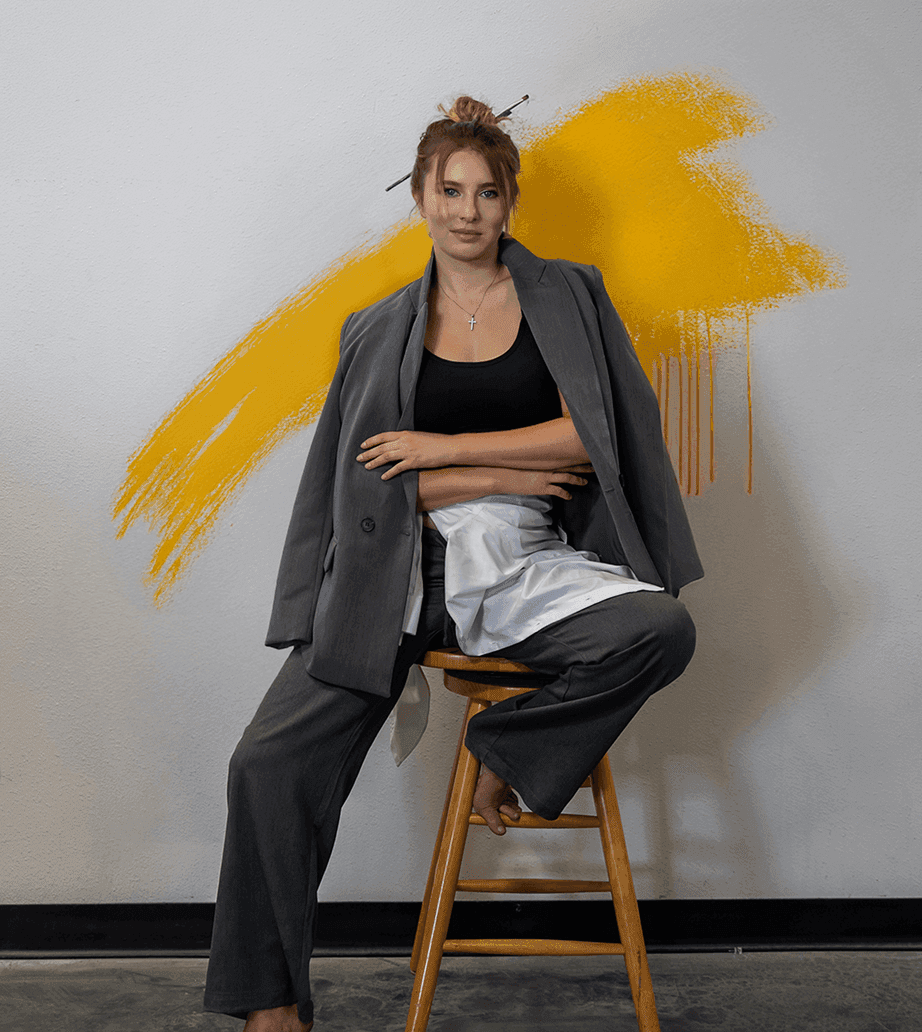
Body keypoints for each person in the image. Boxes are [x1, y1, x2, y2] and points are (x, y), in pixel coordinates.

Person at [204, 96, 702, 1032]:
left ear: (510, 200)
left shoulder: (570, 296)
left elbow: (591, 444)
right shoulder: (374, 327)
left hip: (522, 559)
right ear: (421, 198)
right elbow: (367, 481)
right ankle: (271, 1003)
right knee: (266, 764)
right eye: (449, 190)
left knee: (660, 630)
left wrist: (435, 450)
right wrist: (483, 462)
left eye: (485, 191)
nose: (466, 210)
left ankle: (501, 751)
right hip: (394, 566)